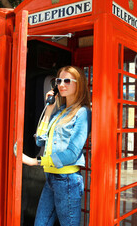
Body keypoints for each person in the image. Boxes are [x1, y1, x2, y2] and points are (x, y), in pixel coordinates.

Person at [22, 66, 91, 226]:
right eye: (59, 81)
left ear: (78, 84)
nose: (61, 84)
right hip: (51, 178)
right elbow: (39, 141)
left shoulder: (83, 113)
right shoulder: (59, 112)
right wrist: (48, 110)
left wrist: (36, 161)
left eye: (67, 80)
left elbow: (72, 153)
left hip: (67, 180)